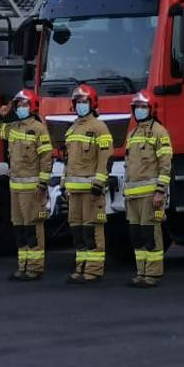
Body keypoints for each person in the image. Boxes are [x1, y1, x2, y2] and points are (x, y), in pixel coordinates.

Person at [0, 88, 56, 281]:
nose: (20, 107)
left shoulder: (39, 129)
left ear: (32, 106)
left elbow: (46, 158)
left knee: (33, 229)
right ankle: (23, 266)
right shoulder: (13, 128)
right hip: (16, 189)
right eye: (18, 104)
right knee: (19, 228)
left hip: (33, 190)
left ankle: (35, 268)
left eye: (24, 104)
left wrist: (43, 184)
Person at [62, 84, 113, 284]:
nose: (80, 105)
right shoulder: (72, 128)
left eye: (84, 101)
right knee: (77, 231)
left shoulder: (99, 127)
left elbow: (105, 158)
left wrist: (99, 182)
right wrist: (64, 183)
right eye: (77, 102)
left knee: (92, 231)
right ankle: (81, 268)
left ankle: (93, 270)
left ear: (92, 104)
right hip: (74, 191)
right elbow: (68, 160)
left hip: (92, 191)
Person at [125, 91, 174, 288]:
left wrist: (160, 191)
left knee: (150, 234)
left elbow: (165, 165)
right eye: (137, 107)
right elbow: (129, 167)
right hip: (132, 196)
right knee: (136, 235)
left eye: (143, 107)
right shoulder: (132, 134)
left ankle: (153, 273)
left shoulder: (159, 132)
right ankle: (141, 272)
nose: (140, 110)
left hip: (150, 195)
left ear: (151, 109)